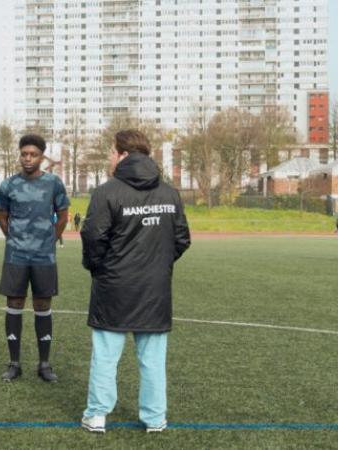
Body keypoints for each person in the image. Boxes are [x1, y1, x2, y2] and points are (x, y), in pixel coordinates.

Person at [80, 130, 191, 434]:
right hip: (154, 290)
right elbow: (181, 240)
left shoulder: (106, 192)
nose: (109, 157)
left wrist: (100, 268)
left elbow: (92, 237)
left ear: (123, 155)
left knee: (105, 355)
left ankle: (98, 415)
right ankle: (155, 418)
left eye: (111, 152)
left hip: (114, 287)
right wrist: (156, 266)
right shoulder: (170, 193)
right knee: (152, 359)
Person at [0, 133, 69, 383]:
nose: (28, 158)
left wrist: (49, 240)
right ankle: (14, 363)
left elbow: (63, 216)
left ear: (41, 156)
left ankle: (44, 364)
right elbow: (3, 217)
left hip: (43, 257)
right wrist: (15, 239)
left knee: (42, 306)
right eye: (24, 154)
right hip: (16, 255)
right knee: (14, 304)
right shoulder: (8, 185)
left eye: (33, 154)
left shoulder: (54, 184)